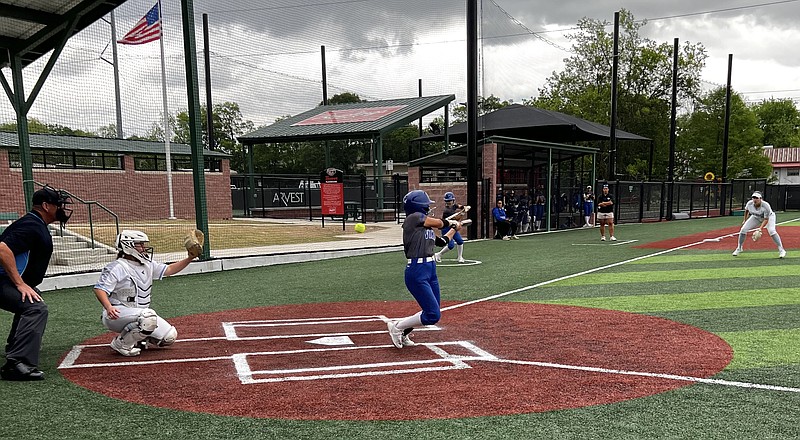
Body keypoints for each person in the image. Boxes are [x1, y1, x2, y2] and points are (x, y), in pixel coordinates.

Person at [0, 186, 72, 381]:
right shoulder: (32, 225)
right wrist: (19, 283)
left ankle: (15, 347)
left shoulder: (36, 224)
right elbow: (2, 249)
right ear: (46, 206)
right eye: (58, 205)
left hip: (6, 280)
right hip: (2, 281)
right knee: (36, 308)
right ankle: (17, 364)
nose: (61, 209)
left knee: (31, 298)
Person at [93, 229, 196, 357]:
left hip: (139, 314)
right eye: (139, 244)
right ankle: (121, 344)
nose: (143, 247)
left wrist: (190, 258)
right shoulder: (117, 266)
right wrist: (108, 307)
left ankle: (138, 339)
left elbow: (169, 269)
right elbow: (100, 288)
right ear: (128, 246)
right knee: (148, 317)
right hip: (117, 314)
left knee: (169, 337)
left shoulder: (147, 264)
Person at [388, 190, 462, 349]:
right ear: (419, 206)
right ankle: (397, 327)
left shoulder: (424, 228)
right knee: (433, 314)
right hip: (417, 271)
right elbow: (440, 223)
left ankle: (403, 331)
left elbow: (442, 241)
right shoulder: (413, 219)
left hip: (430, 270)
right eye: (426, 205)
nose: (429, 208)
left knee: (432, 311)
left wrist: (455, 228)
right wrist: (451, 222)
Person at [732, 191, 786, 258]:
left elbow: (766, 219)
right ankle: (739, 248)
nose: (755, 199)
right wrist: (745, 220)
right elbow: (746, 211)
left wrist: (760, 228)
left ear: (761, 199)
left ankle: (781, 250)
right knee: (743, 229)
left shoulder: (766, 206)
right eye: (753, 198)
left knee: (772, 231)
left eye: (757, 198)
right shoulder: (749, 204)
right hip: (756, 217)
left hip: (769, 217)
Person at [434, 192, 468, 263]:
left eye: (450, 201)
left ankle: (460, 257)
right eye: (447, 201)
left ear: (453, 200)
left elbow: (459, 206)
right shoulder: (447, 211)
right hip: (446, 228)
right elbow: (457, 219)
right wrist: (463, 212)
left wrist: (464, 207)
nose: (448, 202)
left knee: (460, 241)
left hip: (452, 226)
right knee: (451, 245)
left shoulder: (454, 206)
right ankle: (439, 254)